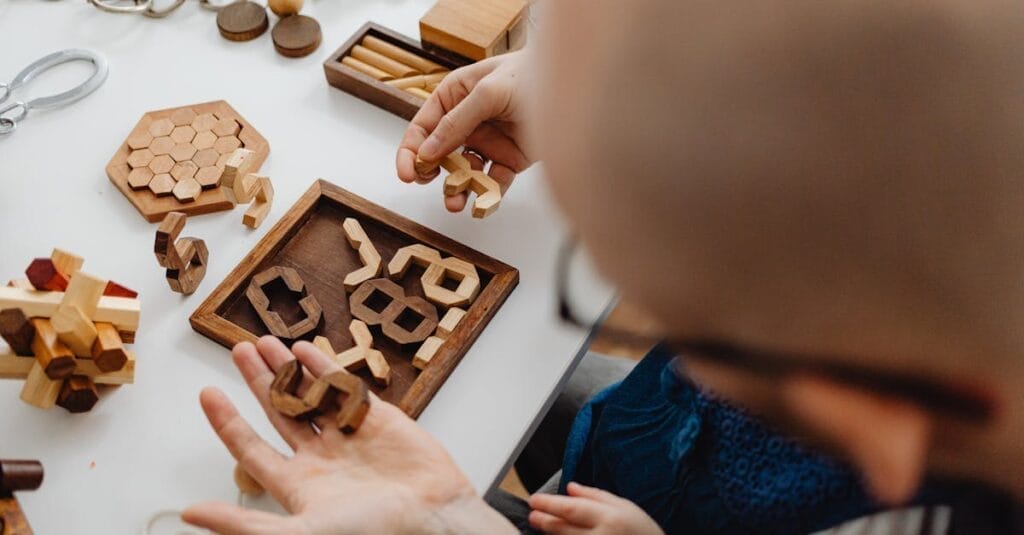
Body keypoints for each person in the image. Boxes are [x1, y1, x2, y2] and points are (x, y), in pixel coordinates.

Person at [182, 0, 1024, 533]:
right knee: (591, 400)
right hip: (635, 448)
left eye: (691, 319)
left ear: (878, 418)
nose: (677, 351)